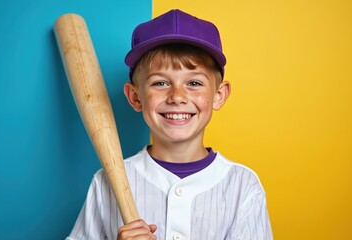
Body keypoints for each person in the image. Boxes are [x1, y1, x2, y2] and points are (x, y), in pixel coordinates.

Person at [66, 9, 273, 240]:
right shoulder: (106, 182)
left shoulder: (242, 186)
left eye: (194, 83)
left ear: (219, 95)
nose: (177, 96)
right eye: (161, 83)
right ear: (135, 97)